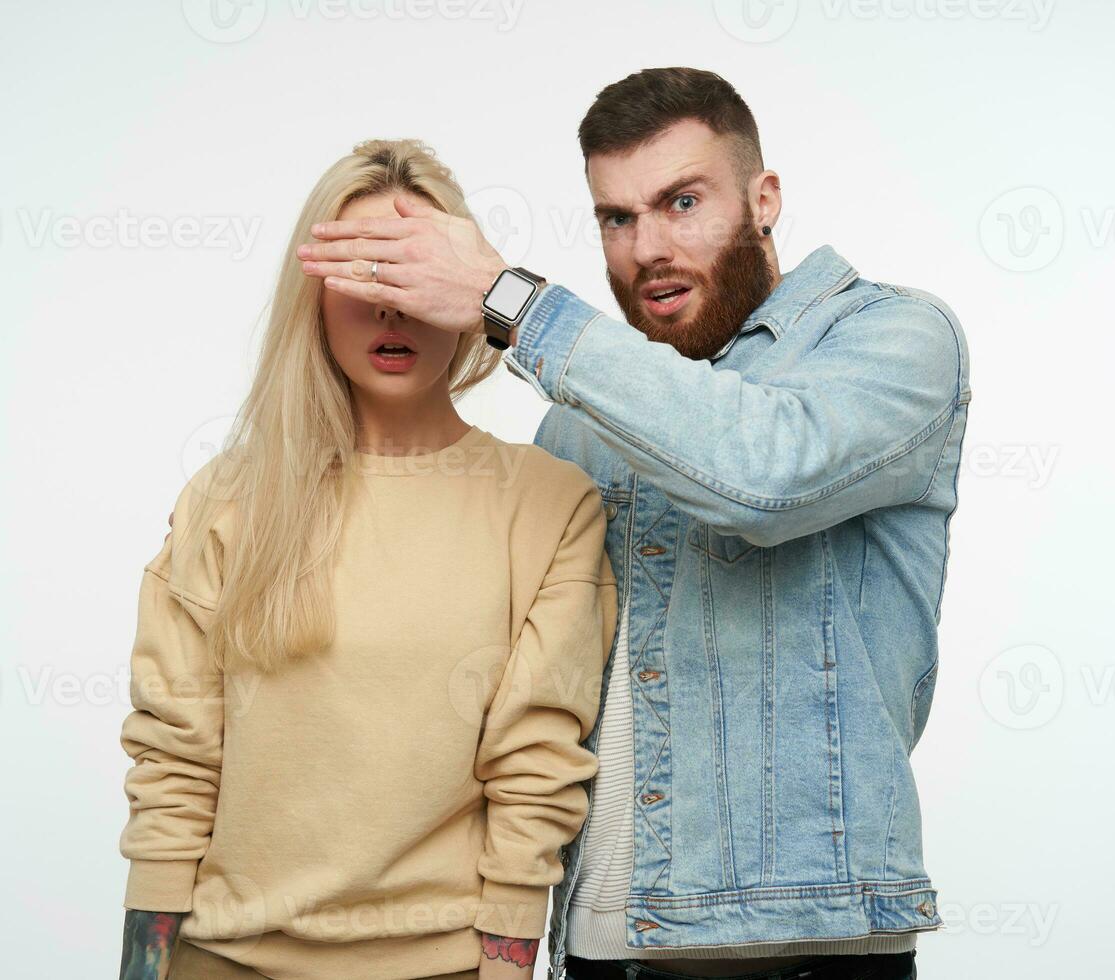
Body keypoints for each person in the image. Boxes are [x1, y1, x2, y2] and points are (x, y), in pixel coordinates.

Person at [298, 68, 971, 980]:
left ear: (763, 199)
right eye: (617, 218)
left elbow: (760, 475)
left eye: (682, 202)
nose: (647, 246)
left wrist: (511, 300)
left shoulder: (893, 339)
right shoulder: (579, 421)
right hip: (598, 950)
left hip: (799, 944)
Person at [115, 138, 618, 980]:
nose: (391, 308)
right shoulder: (230, 495)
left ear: (464, 293)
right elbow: (176, 755)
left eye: (412, 272)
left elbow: (535, 774)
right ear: (310, 298)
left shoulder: (545, 504)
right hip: (221, 958)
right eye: (362, 275)